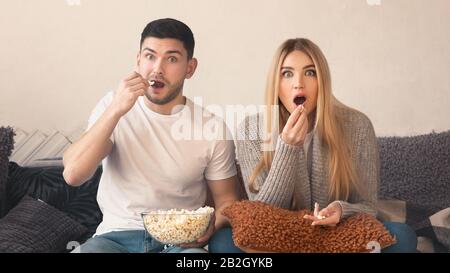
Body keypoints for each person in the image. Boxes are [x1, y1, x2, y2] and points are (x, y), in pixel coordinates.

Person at [208, 38, 417, 253]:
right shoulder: (251, 129)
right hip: (277, 238)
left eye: (310, 72)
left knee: (402, 236)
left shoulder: (357, 125)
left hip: (336, 233)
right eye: (287, 73)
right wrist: (287, 149)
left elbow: (368, 206)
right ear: (276, 84)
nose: (298, 83)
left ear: (322, 81)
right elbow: (261, 214)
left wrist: (340, 210)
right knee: (222, 244)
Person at [63, 18, 240, 253]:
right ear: (138, 60)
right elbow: (73, 175)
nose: (158, 68)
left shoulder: (213, 128)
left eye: (172, 59)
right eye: (150, 56)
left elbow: (228, 202)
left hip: (179, 243)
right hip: (114, 239)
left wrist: (210, 227)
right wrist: (116, 109)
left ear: (190, 68)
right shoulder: (112, 106)